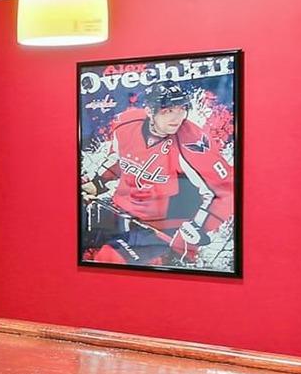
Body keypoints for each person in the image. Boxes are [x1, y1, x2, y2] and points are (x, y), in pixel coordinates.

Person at [81, 81, 220, 267]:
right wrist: (98, 183)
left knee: (108, 260)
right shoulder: (127, 124)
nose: (177, 117)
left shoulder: (191, 141)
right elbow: (118, 158)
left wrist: (196, 228)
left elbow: (221, 191)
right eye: (168, 110)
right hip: (119, 216)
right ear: (149, 110)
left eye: (181, 109)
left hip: (161, 233)